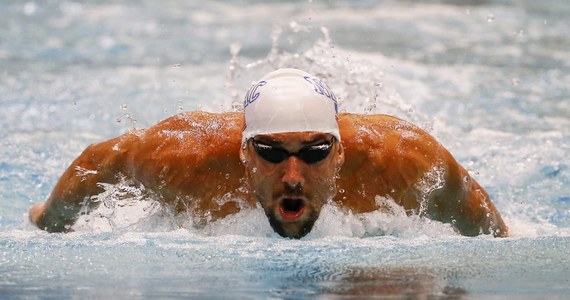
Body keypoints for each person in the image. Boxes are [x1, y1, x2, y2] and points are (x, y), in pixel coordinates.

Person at [29, 68, 508, 238]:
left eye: (315, 152)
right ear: (243, 151)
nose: (294, 175)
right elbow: (98, 162)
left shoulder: (404, 160)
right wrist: (50, 224)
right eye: (271, 153)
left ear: (340, 152)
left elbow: (492, 238)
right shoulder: (181, 159)